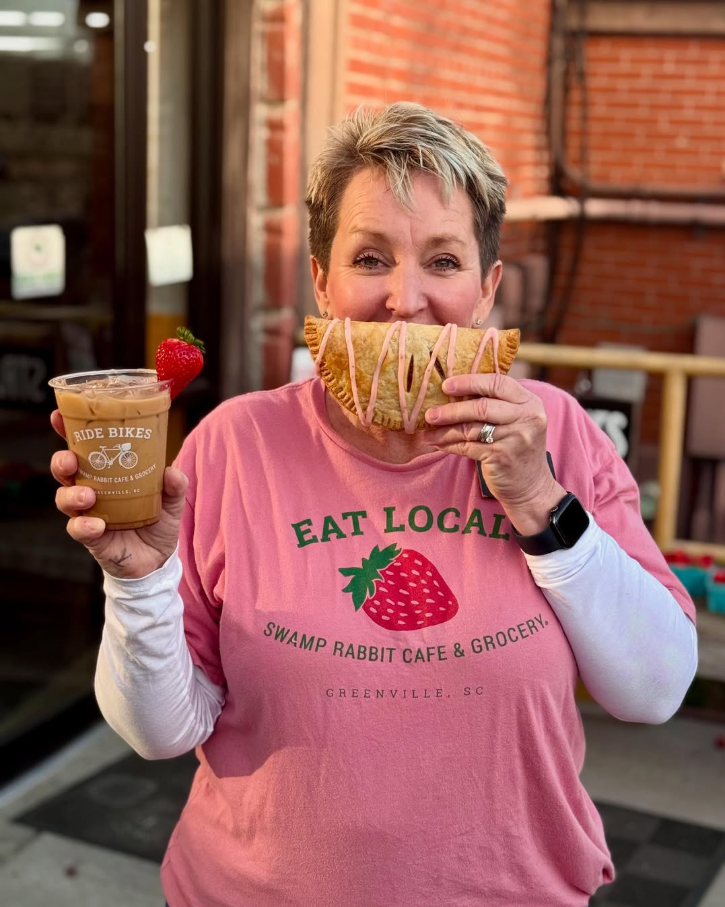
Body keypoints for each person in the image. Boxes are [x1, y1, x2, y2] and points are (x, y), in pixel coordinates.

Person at [50, 103, 697, 907]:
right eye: (368, 257)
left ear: (487, 289)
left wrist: (539, 500)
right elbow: (162, 732)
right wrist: (139, 584)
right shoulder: (233, 444)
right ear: (321, 282)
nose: (405, 298)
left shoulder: (554, 431)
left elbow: (655, 689)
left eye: (443, 260)